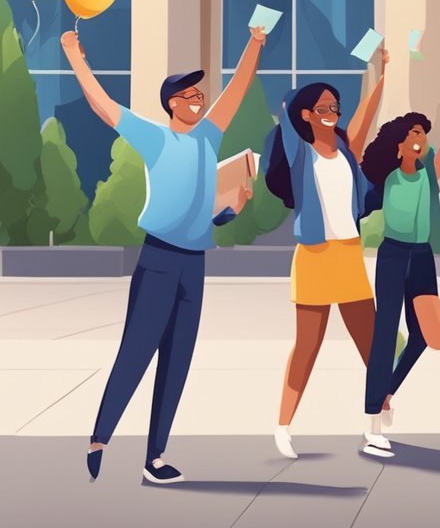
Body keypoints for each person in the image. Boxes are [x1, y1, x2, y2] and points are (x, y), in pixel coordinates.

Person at [63, 25, 266, 484]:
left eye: (200, 95)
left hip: (194, 266)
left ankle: (155, 457)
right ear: (172, 102)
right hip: (158, 261)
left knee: (178, 361)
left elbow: (236, 91)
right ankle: (99, 438)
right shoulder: (155, 138)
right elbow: (103, 105)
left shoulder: (209, 139)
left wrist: (253, 43)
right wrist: (76, 56)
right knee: (136, 352)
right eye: (190, 95)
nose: (199, 101)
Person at [265, 48, 388, 459]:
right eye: (322, 108)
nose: (331, 112)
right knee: (307, 346)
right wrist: (288, 105)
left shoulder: (346, 151)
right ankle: (283, 426)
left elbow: (366, 118)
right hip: (315, 256)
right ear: (307, 115)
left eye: (335, 106)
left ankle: (376, 426)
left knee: (372, 346)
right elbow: (285, 120)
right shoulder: (302, 155)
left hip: (348, 254)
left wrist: (381, 72)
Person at [361, 82, 440, 455]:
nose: (422, 139)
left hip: (421, 258)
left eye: (424, 135)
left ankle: (387, 391)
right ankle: (372, 423)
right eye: (415, 134)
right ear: (400, 142)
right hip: (392, 255)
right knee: (385, 333)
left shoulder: (429, 171)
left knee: (424, 335)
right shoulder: (384, 178)